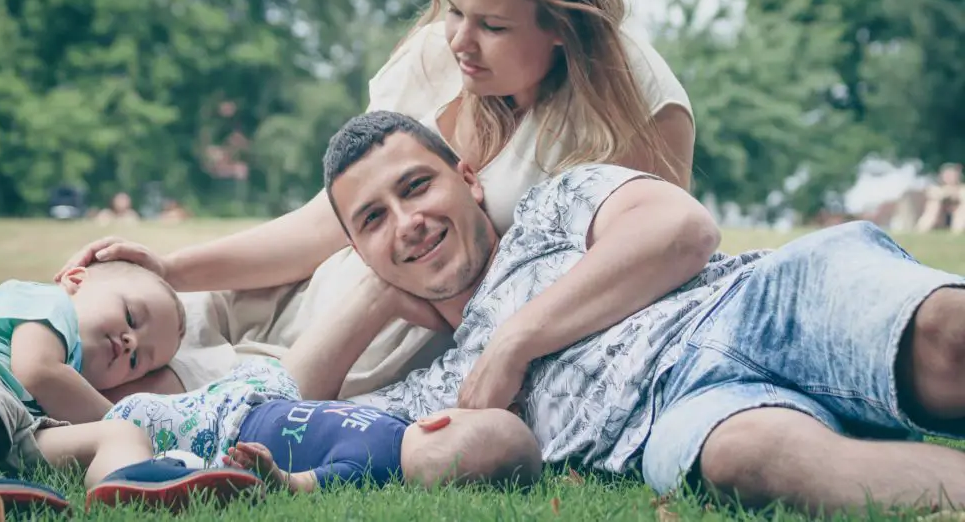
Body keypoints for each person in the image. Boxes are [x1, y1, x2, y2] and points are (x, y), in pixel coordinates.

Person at [54, 0, 696, 400]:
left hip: (386, 341)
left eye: (492, 26)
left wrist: (511, 344)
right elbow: (327, 221)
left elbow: (638, 272)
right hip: (308, 292)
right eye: (454, 11)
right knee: (87, 331)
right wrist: (172, 270)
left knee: (147, 391)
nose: (460, 43)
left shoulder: (631, 108)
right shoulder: (432, 62)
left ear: (563, 23)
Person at [318, 111, 965, 515]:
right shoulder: (434, 389)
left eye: (416, 187)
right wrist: (374, 293)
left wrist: (514, 341)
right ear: (358, 251)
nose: (409, 223)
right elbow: (286, 401)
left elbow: (681, 229)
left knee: (947, 343)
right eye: (373, 221)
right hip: (679, 419)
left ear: (468, 178)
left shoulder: (552, 208)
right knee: (743, 456)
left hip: (752, 303)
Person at [0, 261, 261, 512]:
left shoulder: (70, 370)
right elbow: (37, 371)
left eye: (136, 360)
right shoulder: (49, 301)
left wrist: (127, 425)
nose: (130, 341)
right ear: (76, 281)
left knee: (121, 433)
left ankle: (130, 487)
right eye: (131, 317)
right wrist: (120, 413)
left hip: (16, 426)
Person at [104, 357, 542, 495]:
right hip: (259, 398)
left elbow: (302, 485)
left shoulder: (370, 471)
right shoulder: (397, 427)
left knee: (138, 412)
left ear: (440, 420)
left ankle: (134, 462)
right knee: (272, 370)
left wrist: (271, 474)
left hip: (224, 428)